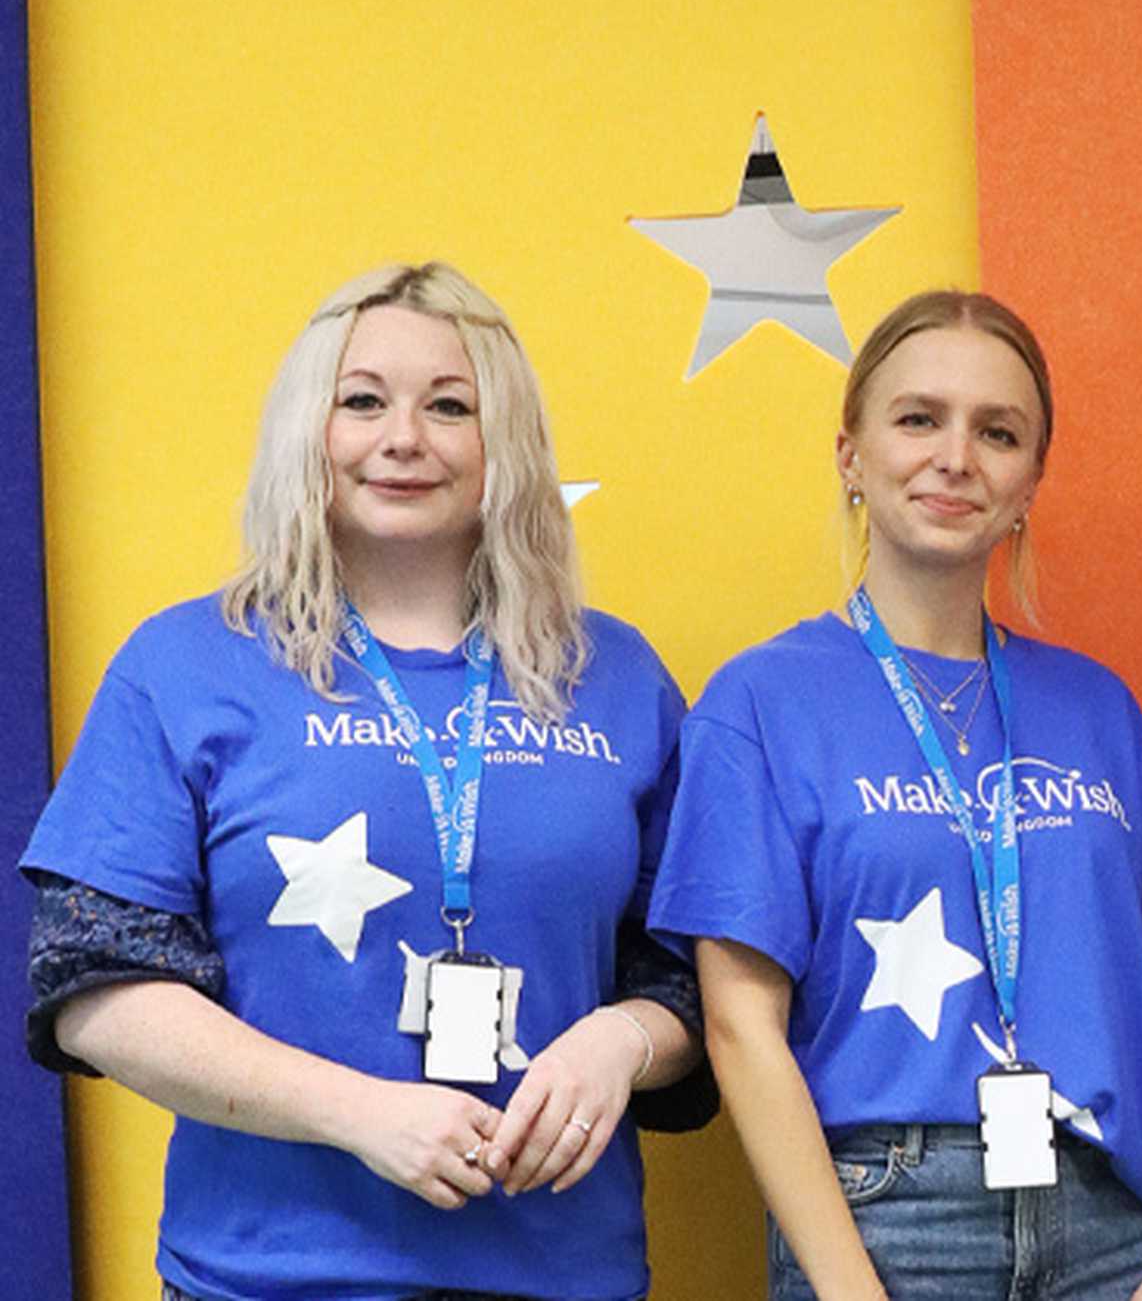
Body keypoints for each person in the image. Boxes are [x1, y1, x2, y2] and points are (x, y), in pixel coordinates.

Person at [18, 262, 709, 1301]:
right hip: (265, 1277)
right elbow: (96, 988)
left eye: (449, 405)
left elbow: (699, 973)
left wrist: (622, 1040)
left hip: (565, 1275)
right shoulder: (185, 665)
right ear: (311, 429)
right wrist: (360, 1112)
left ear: (503, 442)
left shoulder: (614, 677)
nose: (403, 438)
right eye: (362, 401)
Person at [648, 289, 1142, 1301]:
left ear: (1030, 479)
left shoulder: (1094, 708)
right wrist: (847, 1287)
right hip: (887, 1222)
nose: (955, 457)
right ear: (850, 455)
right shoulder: (760, 701)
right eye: (918, 419)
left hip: (1107, 1220)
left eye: (997, 432)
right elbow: (739, 1020)